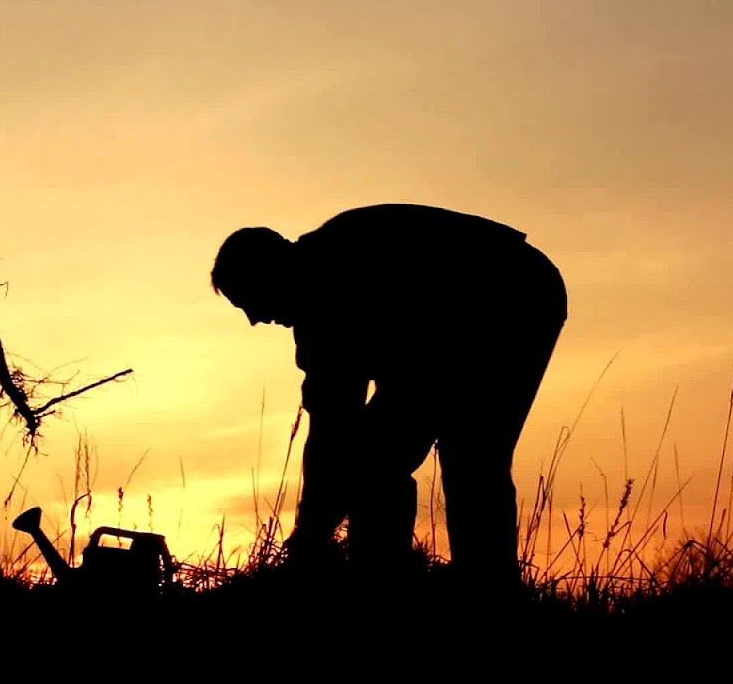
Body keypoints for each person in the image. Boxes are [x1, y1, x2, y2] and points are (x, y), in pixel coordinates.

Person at [211, 203, 568, 596]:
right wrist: (313, 532)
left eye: (247, 301)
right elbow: (332, 430)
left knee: (467, 455)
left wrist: (311, 536)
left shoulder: (331, 285)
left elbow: (332, 432)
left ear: (268, 274)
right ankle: (392, 579)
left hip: (513, 295)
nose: (254, 320)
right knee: (379, 457)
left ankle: (467, 591)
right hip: (451, 327)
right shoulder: (319, 289)